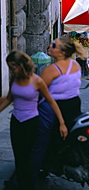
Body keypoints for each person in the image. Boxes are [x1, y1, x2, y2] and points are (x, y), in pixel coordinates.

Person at [0, 50, 67, 190]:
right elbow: (9, 99)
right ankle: (19, 183)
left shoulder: (37, 81)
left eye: (12, 67)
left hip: (31, 122)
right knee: (19, 155)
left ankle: (28, 184)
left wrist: (62, 123)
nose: (11, 71)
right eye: (9, 68)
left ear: (21, 65)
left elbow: (51, 102)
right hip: (16, 122)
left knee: (28, 156)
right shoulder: (15, 79)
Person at [31, 35, 88, 183]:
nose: (50, 47)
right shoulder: (75, 65)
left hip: (56, 106)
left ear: (62, 53)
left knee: (45, 138)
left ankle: (39, 170)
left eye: (54, 46)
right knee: (68, 135)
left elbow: (38, 91)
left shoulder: (51, 69)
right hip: (74, 104)